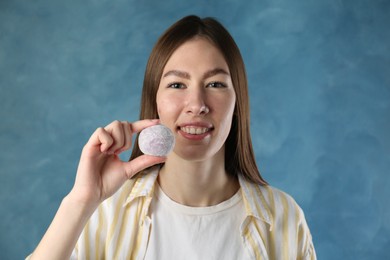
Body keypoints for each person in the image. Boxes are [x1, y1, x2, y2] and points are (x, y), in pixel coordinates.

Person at [29, 15, 316, 259]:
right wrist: (81, 201)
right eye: (177, 84)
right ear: (154, 101)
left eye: (215, 84)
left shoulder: (283, 216)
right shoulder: (105, 211)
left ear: (237, 102)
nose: (196, 104)